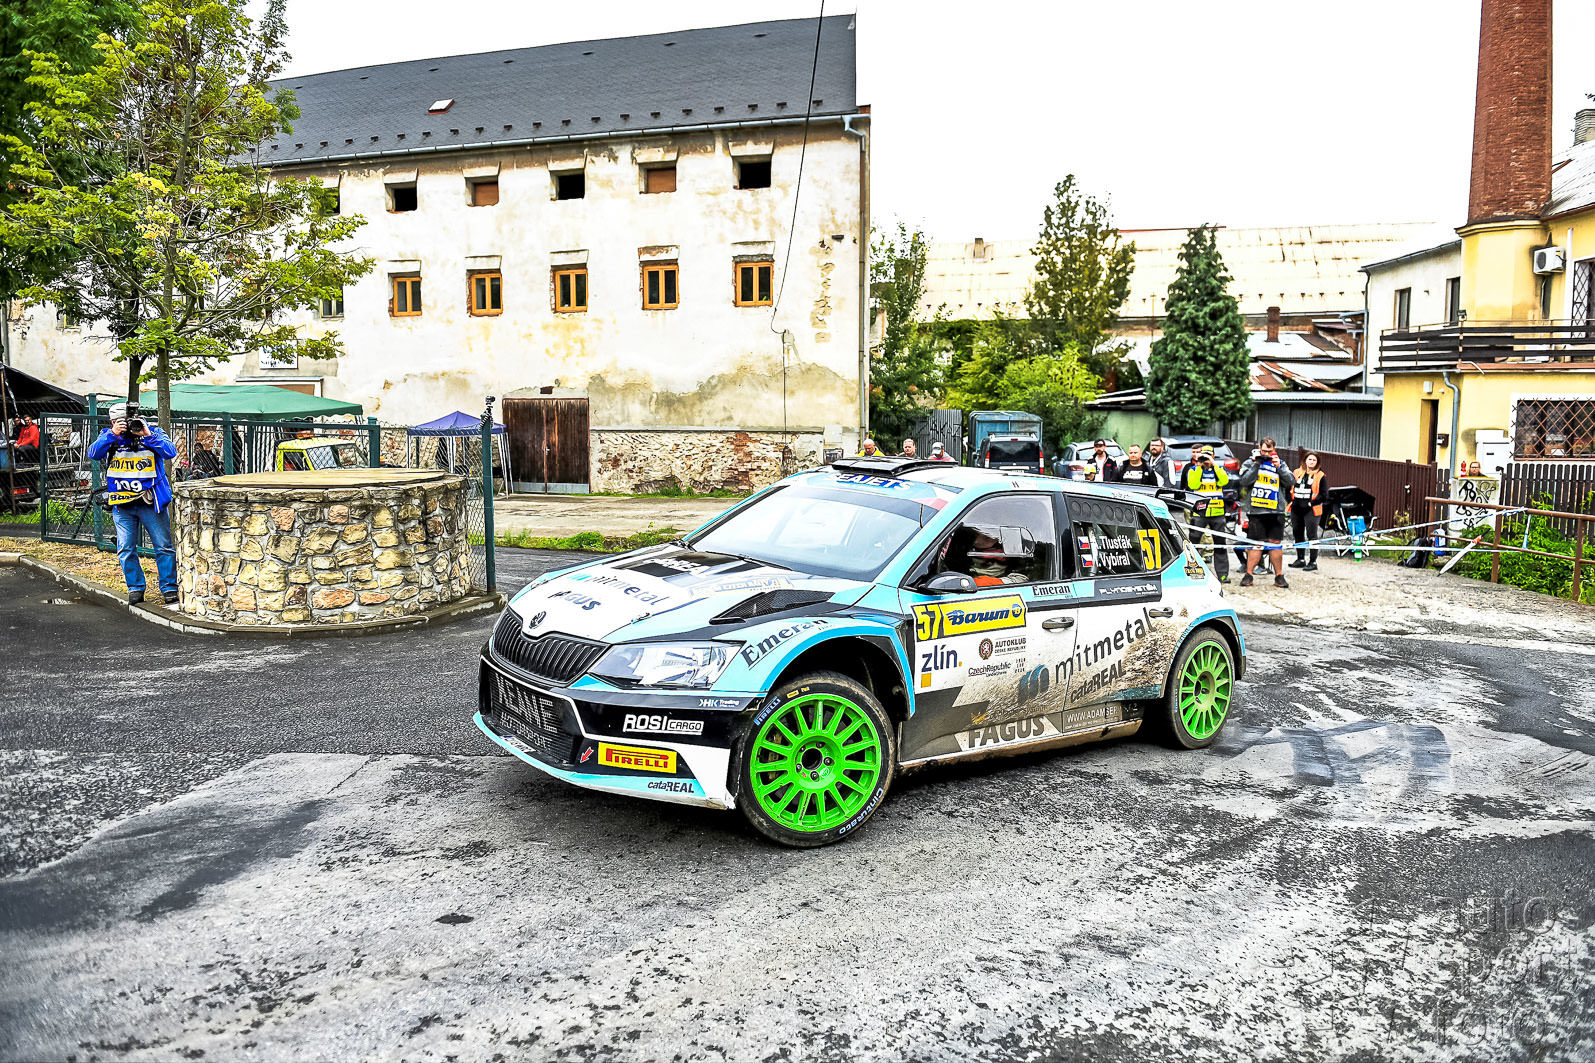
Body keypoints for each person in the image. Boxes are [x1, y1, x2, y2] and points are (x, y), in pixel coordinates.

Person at [88, 405, 180, 605]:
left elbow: (170, 452)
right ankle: (135, 588)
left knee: (163, 546)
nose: (127, 426)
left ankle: (169, 588)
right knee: (125, 548)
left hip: (151, 502)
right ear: (112, 422)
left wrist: (147, 434)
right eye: (120, 421)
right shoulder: (109, 436)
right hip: (123, 505)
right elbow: (93, 453)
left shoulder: (153, 433)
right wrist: (113, 434)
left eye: (129, 420)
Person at [1237, 438, 1296, 588]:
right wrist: (1257, 464)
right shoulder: (1250, 463)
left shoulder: (1281, 463)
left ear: (1274, 450)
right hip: (1257, 510)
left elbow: (1291, 481)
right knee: (1256, 543)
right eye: (1264, 451)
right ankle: (1249, 575)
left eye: (1270, 451)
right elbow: (1244, 481)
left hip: (1276, 510)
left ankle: (1279, 576)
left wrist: (1279, 467)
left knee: (1275, 543)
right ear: (1259, 448)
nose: (1267, 454)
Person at [1182, 444, 1231, 583]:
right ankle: (1191, 572)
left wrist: (1214, 465)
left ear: (1213, 456)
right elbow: (1193, 485)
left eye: (1209, 456)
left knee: (1220, 544)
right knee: (1194, 543)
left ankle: (1223, 575)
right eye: (1204, 456)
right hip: (1200, 512)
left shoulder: (1219, 469)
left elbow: (1224, 481)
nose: (1206, 459)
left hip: (1217, 512)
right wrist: (1199, 465)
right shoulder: (1193, 469)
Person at [1289, 452, 1327, 571]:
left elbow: (1324, 495)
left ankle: (1313, 561)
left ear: (1317, 462)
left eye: (1314, 460)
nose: (1311, 462)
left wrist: (1312, 503)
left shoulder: (1320, 476)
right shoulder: (1296, 473)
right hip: (1296, 508)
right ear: (1305, 460)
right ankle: (1300, 559)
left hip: (1311, 510)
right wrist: (1290, 501)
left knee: (1312, 535)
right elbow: (1289, 487)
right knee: (1297, 533)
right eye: (1309, 459)